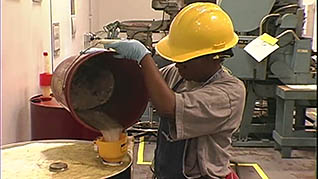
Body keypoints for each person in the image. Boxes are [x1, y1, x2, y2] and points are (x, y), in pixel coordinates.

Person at [104, 2, 246, 179]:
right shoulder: (180, 73)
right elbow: (143, 81)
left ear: (215, 58)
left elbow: (169, 107)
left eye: (185, 59)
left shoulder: (229, 94)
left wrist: (143, 57)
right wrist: (106, 65)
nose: (178, 64)